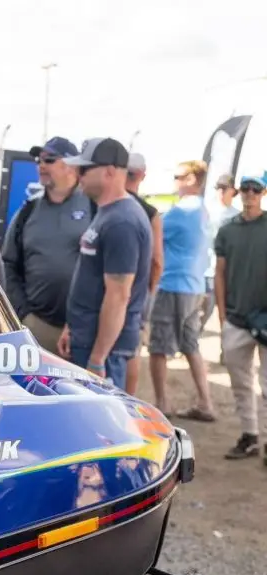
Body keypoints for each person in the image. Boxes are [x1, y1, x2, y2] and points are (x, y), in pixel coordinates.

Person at [58, 138, 151, 391]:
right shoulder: (109, 212)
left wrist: (98, 358)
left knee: (101, 427)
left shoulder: (123, 221)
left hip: (103, 351)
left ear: (110, 172)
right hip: (88, 340)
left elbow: (119, 295)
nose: (79, 175)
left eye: (85, 169)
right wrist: (72, 327)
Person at [2, 136, 95, 353]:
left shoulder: (93, 206)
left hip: (82, 329)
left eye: (49, 159)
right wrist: (24, 314)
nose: (41, 165)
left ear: (71, 166)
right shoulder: (28, 211)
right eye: (39, 160)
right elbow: (8, 264)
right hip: (37, 328)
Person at [147, 160, 215, 419]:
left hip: (173, 285)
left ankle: (162, 403)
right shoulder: (201, 210)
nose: (174, 181)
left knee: (158, 347)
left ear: (191, 180)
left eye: (178, 176)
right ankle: (205, 402)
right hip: (193, 285)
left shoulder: (179, 213)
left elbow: (151, 235)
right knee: (191, 345)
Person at [213, 174, 267, 460]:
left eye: (255, 189)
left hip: (265, 319)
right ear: (238, 193)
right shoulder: (226, 230)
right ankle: (250, 436)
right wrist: (222, 317)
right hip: (236, 318)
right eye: (245, 189)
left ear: (263, 192)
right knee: (240, 382)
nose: (249, 193)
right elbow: (219, 274)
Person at [124, 152, 163, 396]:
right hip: (135, 293)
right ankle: (127, 402)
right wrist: (148, 291)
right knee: (131, 351)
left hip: (104, 292)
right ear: (142, 176)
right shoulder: (149, 213)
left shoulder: (103, 203)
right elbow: (157, 261)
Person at [203, 174, 239, 330]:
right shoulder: (207, 210)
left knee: (226, 306)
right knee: (207, 305)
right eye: (219, 188)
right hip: (208, 266)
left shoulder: (236, 215)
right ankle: (193, 335)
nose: (221, 191)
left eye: (225, 188)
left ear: (233, 191)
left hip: (229, 269)